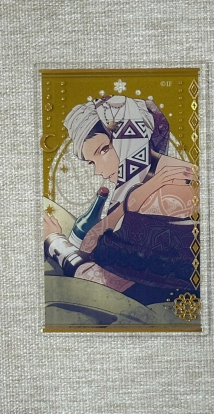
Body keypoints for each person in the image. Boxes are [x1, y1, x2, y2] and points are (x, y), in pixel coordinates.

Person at [43, 95, 199, 306]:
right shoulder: (145, 184)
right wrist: (130, 201)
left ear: (129, 138)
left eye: (103, 150)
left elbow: (99, 283)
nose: (99, 170)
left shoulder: (170, 189)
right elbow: (90, 243)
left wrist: (54, 242)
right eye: (92, 162)